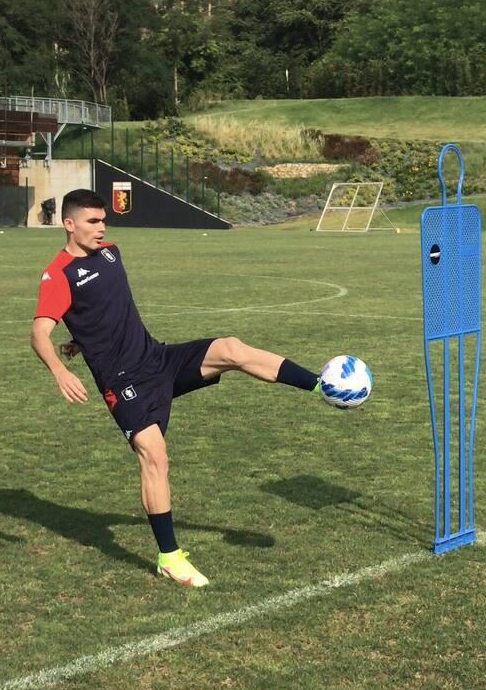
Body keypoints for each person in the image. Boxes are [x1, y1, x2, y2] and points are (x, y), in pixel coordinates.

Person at [31, 189, 322, 588]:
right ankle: (169, 558)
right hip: (124, 383)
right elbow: (39, 333)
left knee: (231, 348)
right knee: (154, 456)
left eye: (103, 220)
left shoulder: (111, 253)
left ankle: (321, 386)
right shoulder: (58, 274)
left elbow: (104, 309)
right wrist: (59, 371)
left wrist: (80, 340)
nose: (102, 228)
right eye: (93, 221)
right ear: (69, 224)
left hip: (158, 360)